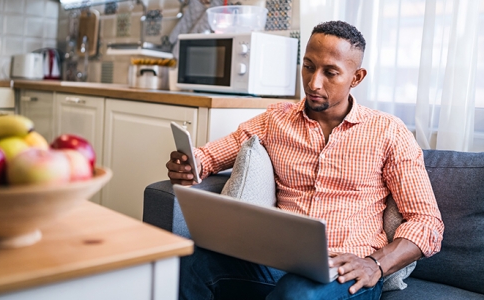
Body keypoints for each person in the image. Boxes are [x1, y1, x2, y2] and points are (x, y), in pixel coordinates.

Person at [166, 20, 444, 300]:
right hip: (276, 260)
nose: (314, 83)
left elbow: (427, 222)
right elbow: (210, 155)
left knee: (296, 294)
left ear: (356, 77)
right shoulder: (275, 120)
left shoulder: (389, 132)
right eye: (309, 66)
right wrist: (191, 164)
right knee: (189, 262)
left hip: (347, 271)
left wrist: (376, 264)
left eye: (331, 73)